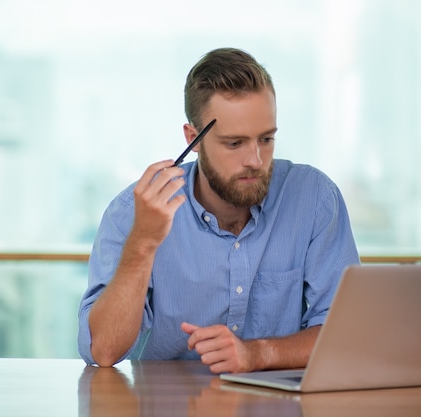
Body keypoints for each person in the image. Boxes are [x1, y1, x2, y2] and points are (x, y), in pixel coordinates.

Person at [77, 47, 359, 374]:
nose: (255, 160)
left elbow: (346, 336)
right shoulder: (132, 212)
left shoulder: (314, 199)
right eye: (234, 143)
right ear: (193, 138)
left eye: (266, 139)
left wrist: (258, 354)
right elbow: (104, 351)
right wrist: (143, 243)